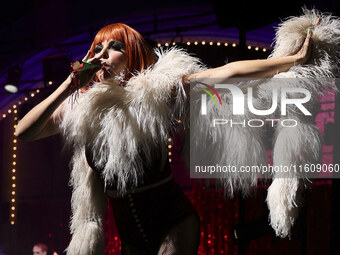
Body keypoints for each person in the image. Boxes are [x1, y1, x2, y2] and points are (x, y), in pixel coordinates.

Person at [16, 21, 313, 255]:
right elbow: (24, 132)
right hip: (129, 234)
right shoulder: (81, 109)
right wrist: (69, 85)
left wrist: (293, 59)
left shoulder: (155, 93)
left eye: (114, 47)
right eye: (96, 49)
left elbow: (226, 73)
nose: (102, 54)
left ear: (131, 55)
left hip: (174, 223)